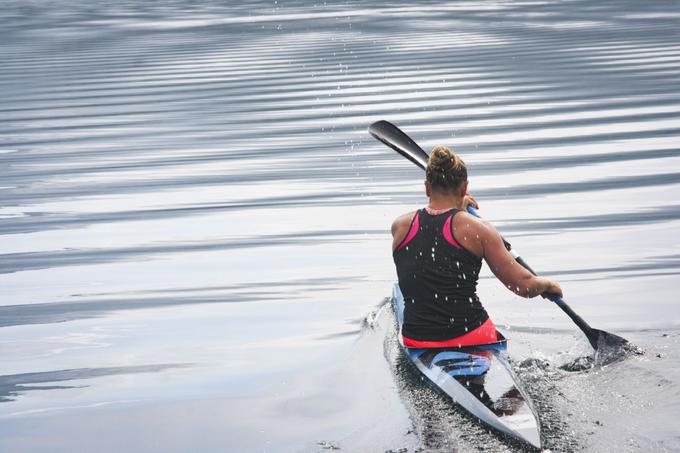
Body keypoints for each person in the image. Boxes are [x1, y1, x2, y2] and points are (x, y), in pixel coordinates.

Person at [392, 146, 562, 348]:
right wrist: (547, 285)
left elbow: (435, 243)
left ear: (427, 188)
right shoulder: (480, 231)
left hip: (417, 339)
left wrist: (458, 209)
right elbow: (523, 286)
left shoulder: (400, 227)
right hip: (470, 334)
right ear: (464, 188)